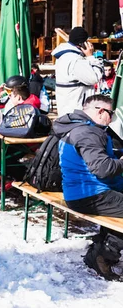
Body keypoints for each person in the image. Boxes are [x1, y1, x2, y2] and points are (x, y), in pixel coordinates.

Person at [53, 95, 123, 280]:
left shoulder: (76, 126)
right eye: (111, 113)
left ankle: (103, 247)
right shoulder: (88, 133)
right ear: (100, 111)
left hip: (82, 191)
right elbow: (103, 168)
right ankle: (102, 255)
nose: (112, 118)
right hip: (90, 195)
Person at [52, 26, 103, 116]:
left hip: (67, 108)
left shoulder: (64, 56)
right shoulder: (76, 60)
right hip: (76, 110)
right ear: (83, 43)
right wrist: (91, 57)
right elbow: (94, 78)